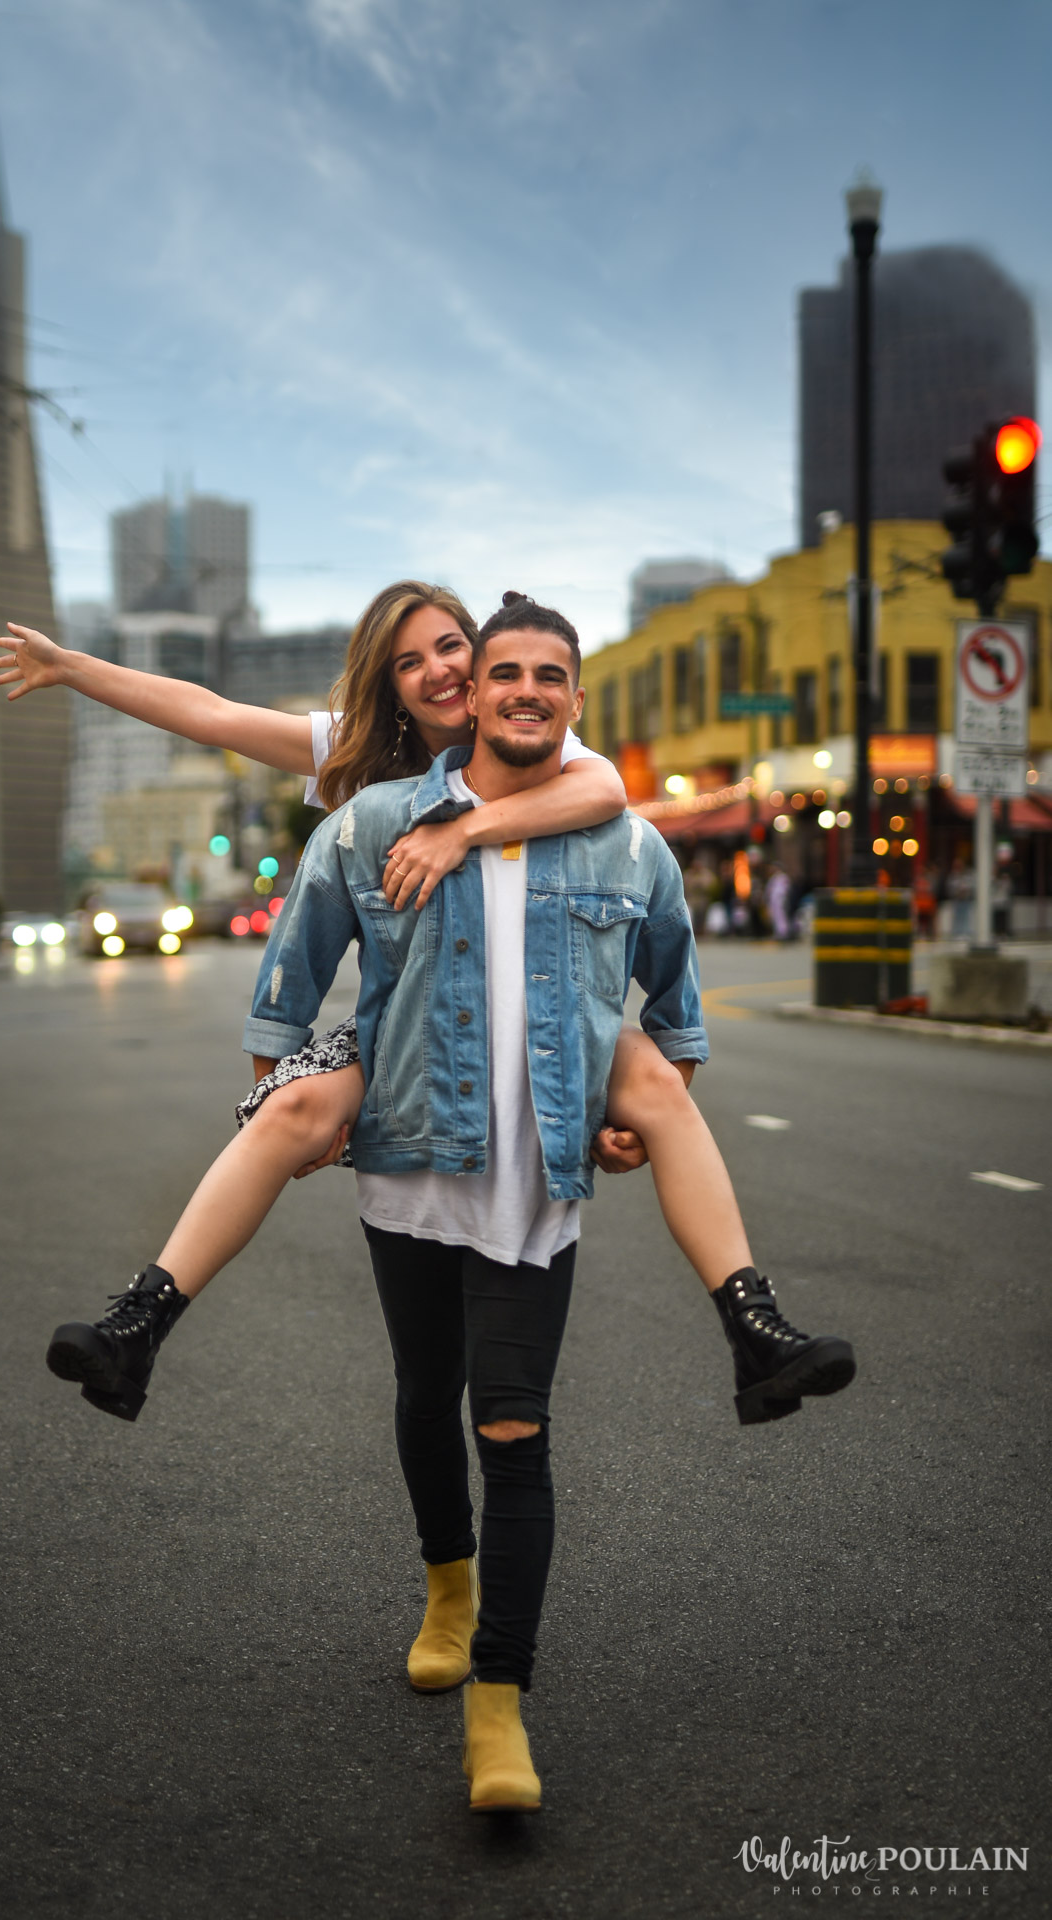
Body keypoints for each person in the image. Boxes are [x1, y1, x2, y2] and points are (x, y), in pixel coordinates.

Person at [231, 595, 856, 1811]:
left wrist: (638, 1110)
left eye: (542, 674)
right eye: (488, 667)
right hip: (414, 1144)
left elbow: (674, 1009)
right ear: (447, 690)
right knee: (425, 1395)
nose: (508, 686)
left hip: (535, 1183)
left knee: (512, 1429)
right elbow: (291, 967)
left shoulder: (622, 837)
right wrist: (283, 1103)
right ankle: (448, 1586)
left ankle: (498, 1706)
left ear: (574, 696)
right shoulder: (382, 818)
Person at [0, 586, 828, 1426]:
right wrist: (70, 668)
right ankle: (141, 1322)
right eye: (408, 661)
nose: (436, 671)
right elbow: (207, 713)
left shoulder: (535, 724)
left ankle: (752, 1325)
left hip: (549, 999)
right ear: (387, 684)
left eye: (450, 648)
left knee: (654, 1081)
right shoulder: (362, 769)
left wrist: (460, 830)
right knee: (285, 1114)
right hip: (418, 1017)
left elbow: (607, 793)